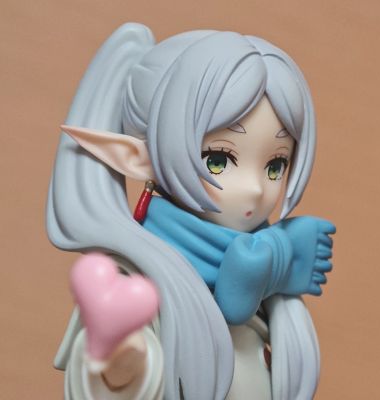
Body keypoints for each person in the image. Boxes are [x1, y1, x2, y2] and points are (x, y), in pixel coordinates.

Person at [47, 23, 335, 400]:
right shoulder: (137, 280)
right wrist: (122, 363)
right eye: (218, 160)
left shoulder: (271, 260)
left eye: (275, 166)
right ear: (137, 158)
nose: (255, 188)